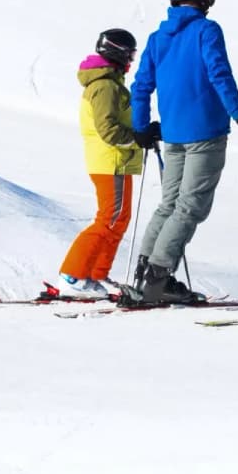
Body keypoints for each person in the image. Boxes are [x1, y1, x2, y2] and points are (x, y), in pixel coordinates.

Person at [124, 0, 238, 306]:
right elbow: (219, 73)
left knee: (170, 204)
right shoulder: (206, 30)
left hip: (173, 134)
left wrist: (141, 128)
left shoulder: (158, 38)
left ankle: (146, 273)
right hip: (205, 132)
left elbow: (141, 86)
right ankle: (156, 280)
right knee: (190, 207)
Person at [55, 28, 143, 296]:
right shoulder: (104, 85)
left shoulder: (110, 82)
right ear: (117, 52)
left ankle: (96, 275)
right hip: (110, 160)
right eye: (129, 54)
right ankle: (72, 276)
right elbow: (108, 129)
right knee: (109, 219)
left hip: (116, 160)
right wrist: (139, 138)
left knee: (118, 220)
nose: (131, 60)